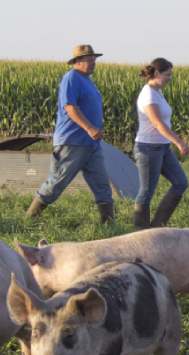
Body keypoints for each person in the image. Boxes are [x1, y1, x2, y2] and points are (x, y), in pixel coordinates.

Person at [26, 45, 114, 224]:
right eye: (89, 60)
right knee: (58, 181)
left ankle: (109, 224)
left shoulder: (88, 81)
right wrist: (89, 128)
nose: (93, 63)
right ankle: (29, 219)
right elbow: (70, 106)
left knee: (102, 184)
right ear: (77, 61)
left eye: (94, 60)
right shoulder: (71, 78)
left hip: (91, 144)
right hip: (72, 141)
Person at [133, 58, 189, 230]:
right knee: (146, 192)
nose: (170, 78)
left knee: (181, 182)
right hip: (148, 147)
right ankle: (141, 234)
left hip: (162, 147)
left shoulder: (157, 92)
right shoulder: (148, 94)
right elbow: (158, 123)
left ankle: (157, 226)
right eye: (167, 75)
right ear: (156, 73)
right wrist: (179, 142)